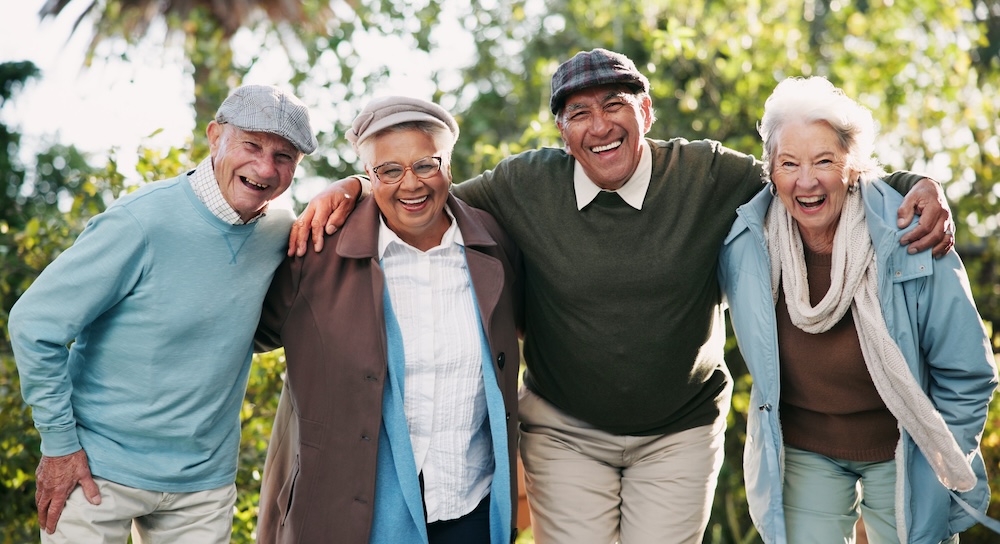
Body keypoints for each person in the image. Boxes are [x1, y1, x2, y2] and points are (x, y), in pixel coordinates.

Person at [288, 49, 954, 543]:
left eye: (615, 106)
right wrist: (349, 188)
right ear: (561, 132)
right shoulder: (525, 186)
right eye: (579, 113)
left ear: (645, 113)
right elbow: (420, 194)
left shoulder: (707, 174)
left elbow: (808, 171)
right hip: (566, 429)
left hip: (680, 430)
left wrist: (917, 183)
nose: (599, 126)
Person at [8, 84, 317, 543]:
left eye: (285, 156)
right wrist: (59, 446)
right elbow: (34, 325)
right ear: (215, 137)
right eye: (251, 145)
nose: (265, 168)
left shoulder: (279, 228)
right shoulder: (142, 221)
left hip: (202, 484)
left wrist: (358, 183)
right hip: (96, 470)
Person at [717, 77, 996, 544]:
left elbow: (968, 373)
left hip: (906, 448)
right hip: (805, 448)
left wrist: (942, 459)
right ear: (771, 170)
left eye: (824, 160)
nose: (806, 181)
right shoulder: (748, 241)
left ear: (853, 166)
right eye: (789, 163)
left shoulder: (912, 234)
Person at [254, 96, 522, 544]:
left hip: (470, 506)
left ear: (449, 167)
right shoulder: (318, 253)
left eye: (425, 165)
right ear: (370, 176)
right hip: (359, 517)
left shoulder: (494, 244)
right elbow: (242, 335)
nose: (410, 184)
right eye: (389, 170)